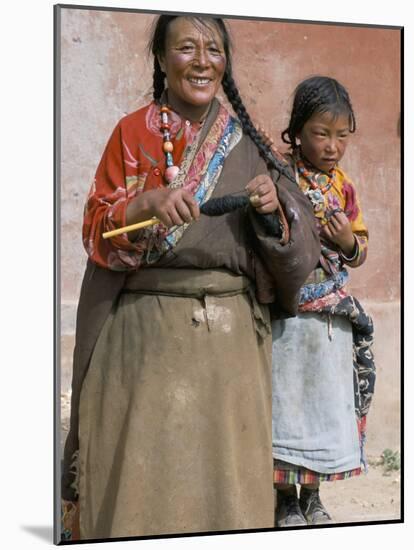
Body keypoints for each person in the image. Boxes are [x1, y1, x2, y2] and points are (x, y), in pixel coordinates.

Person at [61, 15, 320, 540]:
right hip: (141, 342)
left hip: (230, 356)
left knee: (224, 494)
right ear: (160, 58)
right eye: (186, 48)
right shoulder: (131, 134)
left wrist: (273, 214)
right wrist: (144, 204)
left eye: (214, 50)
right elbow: (95, 229)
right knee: (140, 485)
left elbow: (302, 245)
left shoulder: (249, 141)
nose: (202, 61)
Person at [269, 76, 376, 527]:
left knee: (317, 404)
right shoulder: (280, 174)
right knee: (285, 403)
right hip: (287, 314)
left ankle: (310, 496)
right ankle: (282, 498)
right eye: (320, 133)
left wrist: (347, 239)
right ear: (297, 130)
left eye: (341, 137)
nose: (332, 147)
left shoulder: (344, 187)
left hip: (330, 317)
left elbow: (361, 248)